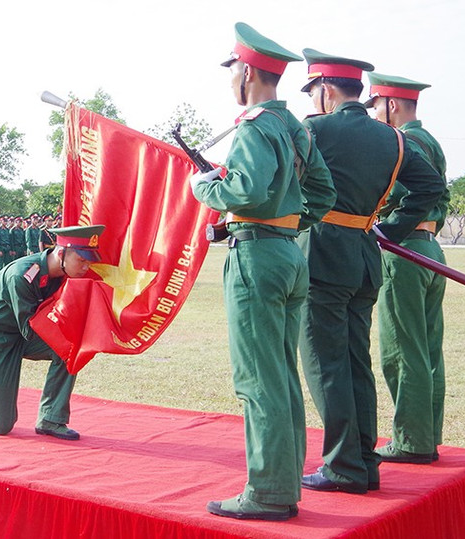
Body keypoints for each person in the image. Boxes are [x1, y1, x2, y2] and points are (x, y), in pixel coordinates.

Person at [189, 23, 336, 521]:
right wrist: (292, 220)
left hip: (255, 256)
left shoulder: (253, 126)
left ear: (247, 70)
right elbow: (324, 193)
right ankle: (284, 481)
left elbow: (246, 192)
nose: (232, 78)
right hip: (289, 255)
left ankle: (269, 492)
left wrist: (203, 187)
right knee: (281, 374)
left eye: (233, 69)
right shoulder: (295, 127)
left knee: (258, 379)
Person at [296, 50, 446, 495]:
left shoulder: (314, 130)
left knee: (325, 365)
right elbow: (432, 187)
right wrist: (394, 229)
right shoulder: (392, 138)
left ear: (324, 89)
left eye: (313, 90)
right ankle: (363, 461)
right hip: (364, 257)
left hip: (321, 255)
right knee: (356, 364)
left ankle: (344, 466)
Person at [0, 224, 105, 441]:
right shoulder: (22, 275)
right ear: (61, 253)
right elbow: (31, 327)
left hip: (22, 337)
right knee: (0, 423)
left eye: (89, 261)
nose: (85, 267)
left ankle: (51, 418)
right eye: (81, 260)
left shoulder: (62, 274)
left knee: (72, 348)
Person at [366, 73, 450, 464]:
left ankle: (411, 442)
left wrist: (386, 229)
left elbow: (395, 195)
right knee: (429, 349)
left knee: (402, 349)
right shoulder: (430, 140)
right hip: (431, 248)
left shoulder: (402, 141)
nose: (375, 116)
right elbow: (442, 195)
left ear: (392, 105)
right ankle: (426, 436)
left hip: (404, 252)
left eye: (376, 106)